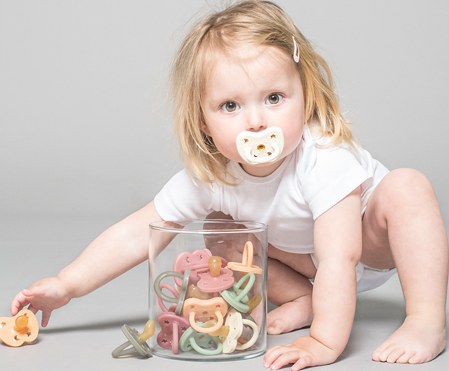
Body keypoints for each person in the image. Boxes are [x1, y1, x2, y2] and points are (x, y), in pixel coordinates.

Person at [11, 1, 448, 370]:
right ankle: (302, 298)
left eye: (274, 98)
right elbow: (137, 232)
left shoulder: (324, 157)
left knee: (406, 186)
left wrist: (324, 343)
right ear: (202, 120)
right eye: (230, 105)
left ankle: (427, 319)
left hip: (366, 243)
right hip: (306, 263)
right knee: (220, 229)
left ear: (306, 94)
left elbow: (341, 255)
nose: (257, 121)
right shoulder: (214, 174)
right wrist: (66, 285)